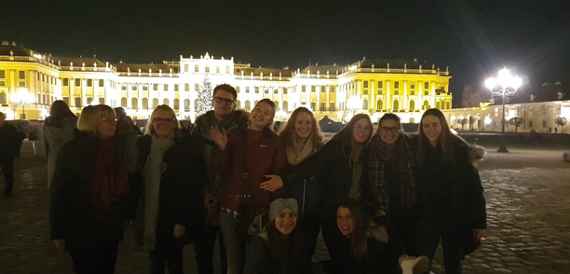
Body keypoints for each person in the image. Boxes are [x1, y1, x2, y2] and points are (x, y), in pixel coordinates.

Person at [261, 114, 375, 268]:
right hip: (333, 212)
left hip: (356, 212)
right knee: (339, 256)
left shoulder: (368, 152)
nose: (362, 131)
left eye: (366, 128)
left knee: (356, 257)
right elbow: (313, 164)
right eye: (359, 127)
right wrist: (284, 179)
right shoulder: (337, 146)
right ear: (351, 128)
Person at [50, 105, 139, 274]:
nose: (113, 123)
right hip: (81, 227)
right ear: (90, 123)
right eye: (106, 119)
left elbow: (126, 186)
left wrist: (126, 215)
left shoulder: (118, 148)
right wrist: (57, 231)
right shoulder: (72, 150)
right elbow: (59, 193)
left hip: (110, 226)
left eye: (113, 119)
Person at [414, 108, 487, 274]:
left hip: (453, 216)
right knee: (422, 261)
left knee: (453, 263)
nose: (430, 129)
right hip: (427, 216)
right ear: (421, 128)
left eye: (435, 125)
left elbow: (475, 190)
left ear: (443, 126)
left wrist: (480, 224)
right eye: (426, 126)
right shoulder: (417, 150)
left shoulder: (459, 151)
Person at [219, 99, 287, 274]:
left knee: (253, 262)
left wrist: (278, 182)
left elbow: (279, 171)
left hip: (258, 210)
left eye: (266, 113)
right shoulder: (234, 134)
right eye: (258, 109)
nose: (260, 114)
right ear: (251, 111)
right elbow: (223, 169)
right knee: (232, 262)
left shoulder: (274, 141)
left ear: (271, 120)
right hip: (231, 206)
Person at [192, 84, 248, 274]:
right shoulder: (201, 125)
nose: (223, 103)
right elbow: (193, 160)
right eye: (219, 99)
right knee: (204, 250)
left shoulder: (243, 127)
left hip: (231, 196)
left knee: (229, 252)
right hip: (205, 193)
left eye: (228, 100)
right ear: (213, 100)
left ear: (234, 103)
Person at [131, 105, 190, 274]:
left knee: (175, 262)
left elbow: (188, 188)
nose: (162, 123)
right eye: (157, 119)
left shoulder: (183, 147)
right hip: (148, 211)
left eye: (167, 119)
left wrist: (182, 220)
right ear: (151, 122)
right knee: (154, 262)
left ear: (174, 123)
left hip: (172, 214)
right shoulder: (142, 145)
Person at [365, 113, 427, 271]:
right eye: (385, 128)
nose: (389, 132)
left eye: (394, 128)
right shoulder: (369, 149)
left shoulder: (410, 144)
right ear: (379, 129)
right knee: (388, 257)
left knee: (409, 253)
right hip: (382, 211)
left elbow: (443, 139)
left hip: (408, 208)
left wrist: (470, 151)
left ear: (399, 129)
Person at [277, 107, 329, 264]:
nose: (304, 126)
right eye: (299, 122)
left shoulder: (320, 147)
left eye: (308, 122)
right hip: (286, 210)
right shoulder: (282, 145)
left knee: (305, 255)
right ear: (293, 124)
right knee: (284, 255)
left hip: (311, 211)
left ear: (313, 125)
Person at [243, 198, 309, 274]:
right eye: (282, 215)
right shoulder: (260, 243)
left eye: (291, 215)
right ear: (273, 219)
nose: (287, 220)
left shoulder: (299, 239)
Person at [333, 200, 399, 274]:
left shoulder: (370, 243)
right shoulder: (343, 240)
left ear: (357, 218)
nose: (343, 222)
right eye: (339, 217)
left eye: (349, 217)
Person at [41, 100, 77, 188]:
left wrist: (46, 156)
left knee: (55, 183)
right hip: (71, 155)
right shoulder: (73, 122)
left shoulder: (47, 122)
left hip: (54, 156)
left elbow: (45, 143)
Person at [0, 112, 25, 196]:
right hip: (5, 152)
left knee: (8, 172)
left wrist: (15, 151)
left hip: (7, 153)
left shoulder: (10, 128)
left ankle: (8, 190)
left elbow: (18, 138)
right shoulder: (10, 127)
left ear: (3, 118)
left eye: (1, 118)